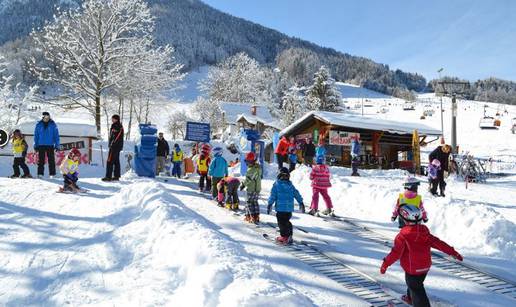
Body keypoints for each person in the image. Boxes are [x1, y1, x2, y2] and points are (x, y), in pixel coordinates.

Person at [380, 205, 463, 306]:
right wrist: (453, 252)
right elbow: (438, 243)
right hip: (425, 267)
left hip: (412, 269)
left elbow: (396, 253)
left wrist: (385, 264)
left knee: (416, 288)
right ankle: (411, 298)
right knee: (415, 284)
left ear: (404, 220)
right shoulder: (425, 233)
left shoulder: (402, 236)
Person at [267, 167, 305, 245]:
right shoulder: (290, 185)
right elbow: (296, 194)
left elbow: (273, 196)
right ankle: (289, 235)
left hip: (280, 209)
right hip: (288, 209)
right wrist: (301, 202)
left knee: (281, 223)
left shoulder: (276, 185)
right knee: (287, 222)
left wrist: (270, 204)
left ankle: (284, 237)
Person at [34, 112, 60, 178]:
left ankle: (52, 174)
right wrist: (36, 145)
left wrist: (57, 145)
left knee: (51, 160)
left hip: (50, 144)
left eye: (48, 117)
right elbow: (36, 136)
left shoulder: (53, 124)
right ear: (42, 117)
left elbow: (56, 136)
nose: (47, 118)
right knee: (41, 160)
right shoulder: (38, 124)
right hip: (41, 145)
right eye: (45, 117)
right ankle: (40, 174)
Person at [241, 152, 262, 223]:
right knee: (255, 202)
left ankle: (250, 216)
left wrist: (243, 185)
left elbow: (248, 179)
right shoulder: (258, 168)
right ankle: (256, 216)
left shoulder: (251, 170)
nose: (247, 164)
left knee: (249, 202)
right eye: (246, 162)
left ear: (252, 161)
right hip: (257, 189)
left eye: (248, 162)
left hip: (251, 189)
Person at [102, 114, 124, 182]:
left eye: (113, 119)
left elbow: (116, 137)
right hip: (117, 146)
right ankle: (116, 176)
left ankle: (108, 176)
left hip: (114, 147)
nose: (112, 120)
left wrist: (112, 144)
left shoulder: (117, 126)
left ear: (116, 119)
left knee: (110, 161)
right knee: (116, 161)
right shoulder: (117, 126)